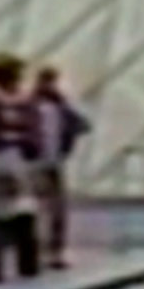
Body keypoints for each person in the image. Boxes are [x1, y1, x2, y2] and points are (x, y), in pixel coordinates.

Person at [0, 55, 40, 282]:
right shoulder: (23, 102)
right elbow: (33, 136)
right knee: (22, 216)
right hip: (15, 162)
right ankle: (27, 268)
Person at [29, 66, 88, 270]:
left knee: (56, 209)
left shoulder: (58, 106)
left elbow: (83, 124)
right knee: (45, 209)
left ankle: (53, 251)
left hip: (52, 162)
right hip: (39, 163)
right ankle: (46, 251)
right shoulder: (32, 105)